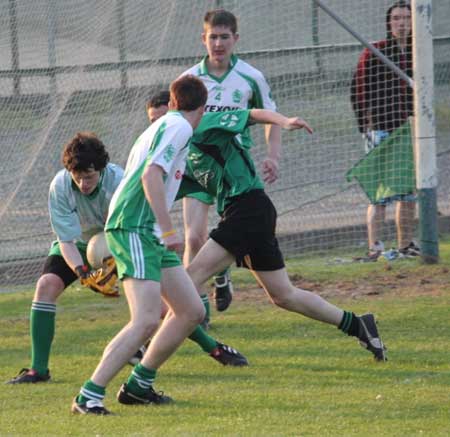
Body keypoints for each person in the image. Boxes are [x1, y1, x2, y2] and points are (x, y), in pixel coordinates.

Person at [70, 75, 242, 416]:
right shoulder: (178, 128)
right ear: (202, 108)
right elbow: (151, 175)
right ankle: (88, 396)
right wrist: (169, 231)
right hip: (134, 227)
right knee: (146, 320)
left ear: (174, 102)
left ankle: (139, 386)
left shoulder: (168, 124)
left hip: (144, 229)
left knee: (192, 311)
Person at [180, 107, 387, 365]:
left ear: (180, 109)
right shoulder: (180, 152)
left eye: (161, 117)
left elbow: (253, 114)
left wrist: (285, 121)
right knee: (283, 296)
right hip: (248, 212)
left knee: (187, 281)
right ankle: (358, 325)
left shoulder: (204, 124)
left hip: (247, 209)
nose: (158, 124)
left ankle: (150, 352)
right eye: (152, 120)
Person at [180, 9, 282, 320]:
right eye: (213, 37)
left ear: (235, 39)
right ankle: (199, 311)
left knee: (229, 230)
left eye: (225, 37)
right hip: (198, 167)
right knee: (193, 237)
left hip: (234, 171)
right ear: (203, 39)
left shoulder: (251, 77)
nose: (219, 43)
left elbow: (270, 117)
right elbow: (176, 125)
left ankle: (219, 273)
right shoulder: (188, 80)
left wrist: (272, 155)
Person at [7, 132, 124, 384]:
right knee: (45, 286)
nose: (83, 184)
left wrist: (114, 265)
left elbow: (127, 228)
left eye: (89, 176)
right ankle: (38, 370)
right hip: (78, 244)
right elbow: (66, 240)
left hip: (119, 241)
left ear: (102, 170)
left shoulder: (119, 181)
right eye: (78, 177)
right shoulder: (60, 185)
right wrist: (83, 273)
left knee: (158, 298)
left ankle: (210, 346)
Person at [350, 1, 419, 260]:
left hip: (408, 132)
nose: (402, 23)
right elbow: (358, 90)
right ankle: (374, 247)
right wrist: (365, 127)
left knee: (408, 191)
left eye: (406, 18)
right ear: (389, 23)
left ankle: (406, 245)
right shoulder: (376, 52)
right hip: (380, 131)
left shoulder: (417, 52)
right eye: (397, 18)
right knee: (379, 192)